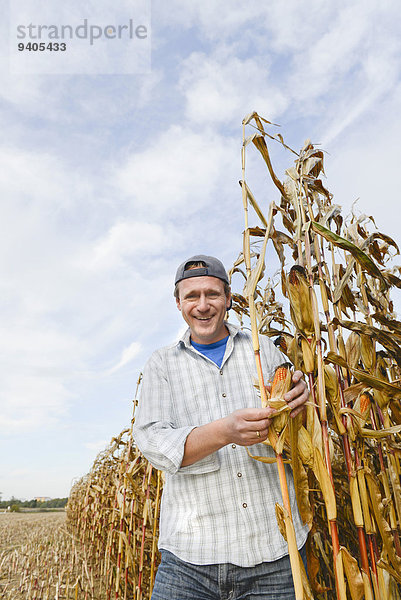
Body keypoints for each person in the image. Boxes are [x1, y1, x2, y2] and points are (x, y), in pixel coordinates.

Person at [133, 255, 310, 600]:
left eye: (212, 294)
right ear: (178, 303)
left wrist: (302, 399)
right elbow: (152, 441)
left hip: (274, 550)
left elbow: (296, 426)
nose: (202, 305)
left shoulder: (262, 351)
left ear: (229, 299)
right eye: (192, 296)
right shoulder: (162, 364)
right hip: (190, 559)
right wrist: (224, 432)